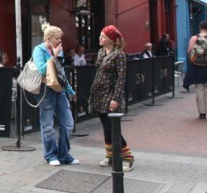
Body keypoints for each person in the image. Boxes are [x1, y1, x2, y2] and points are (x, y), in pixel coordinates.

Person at [89, 25, 135, 172]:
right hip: (99, 95)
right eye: (101, 36)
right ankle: (110, 155)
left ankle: (127, 157)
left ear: (111, 40)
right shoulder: (101, 52)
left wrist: (115, 98)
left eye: (103, 36)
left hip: (110, 95)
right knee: (106, 128)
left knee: (113, 127)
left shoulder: (119, 55)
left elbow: (121, 78)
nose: (100, 38)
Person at [32, 22, 79, 166]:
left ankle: (64, 154)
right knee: (47, 125)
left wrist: (70, 90)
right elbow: (41, 69)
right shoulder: (39, 50)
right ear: (48, 38)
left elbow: (61, 74)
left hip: (59, 90)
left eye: (60, 38)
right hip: (45, 90)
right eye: (57, 38)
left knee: (68, 123)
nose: (60, 41)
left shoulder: (59, 50)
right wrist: (54, 56)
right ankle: (51, 155)